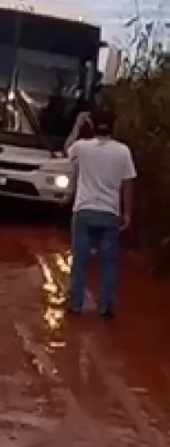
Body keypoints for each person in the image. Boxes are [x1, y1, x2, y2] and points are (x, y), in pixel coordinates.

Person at [65, 107, 137, 318]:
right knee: (109, 262)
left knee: (80, 259)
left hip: (84, 211)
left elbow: (66, 148)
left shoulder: (82, 147)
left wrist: (78, 125)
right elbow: (128, 183)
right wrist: (127, 213)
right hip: (109, 212)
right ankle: (106, 306)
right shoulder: (123, 151)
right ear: (113, 127)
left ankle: (76, 304)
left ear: (93, 125)